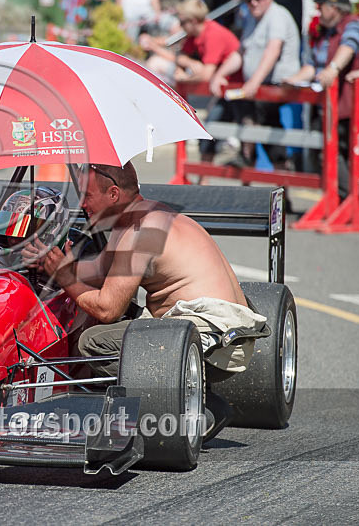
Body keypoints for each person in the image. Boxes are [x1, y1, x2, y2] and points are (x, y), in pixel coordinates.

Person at [22, 163, 266, 437]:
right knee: (121, 313)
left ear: (113, 194)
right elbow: (98, 271)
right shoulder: (141, 216)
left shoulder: (139, 231)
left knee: (94, 341)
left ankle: (192, 405)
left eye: (87, 196)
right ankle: (185, 395)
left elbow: (107, 309)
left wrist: (66, 277)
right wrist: (53, 264)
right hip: (219, 331)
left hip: (215, 341)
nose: (82, 204)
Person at [283, 0, 359, 199]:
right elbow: (313, 66)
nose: (318, 10)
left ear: (335, 8)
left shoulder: (353, 24)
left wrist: (333, 68)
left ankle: (350, 200)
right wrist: (292, 80)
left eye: (322, 6)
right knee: (324, 152)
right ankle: (339, 200)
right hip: (326, 104)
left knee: (344, 153)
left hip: (345, 105)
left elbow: (348, 47)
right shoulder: (325, 32)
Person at [141, 0, 241, 163]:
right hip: (223, 92)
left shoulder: (213, 34)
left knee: (246, 141)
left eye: (182, 22)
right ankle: (203, 177)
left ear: (193, 21)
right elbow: (180, 57)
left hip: (237, 92)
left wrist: (186, 78)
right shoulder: (195, 35)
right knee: (207, 139)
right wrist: (189, 64)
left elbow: (206, 74)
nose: (180, 26)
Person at [210, 0, 300, 168]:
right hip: (259, 88)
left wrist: (254, 82)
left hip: (277, 86)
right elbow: (241, 52)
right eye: (248, 0)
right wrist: (219, 74)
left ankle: (248, 156)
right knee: (238, 108)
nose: (254, 3)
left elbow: (273, 50)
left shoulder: (277, 15)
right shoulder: (252, 18)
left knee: (262, 123)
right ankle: (246, 158)